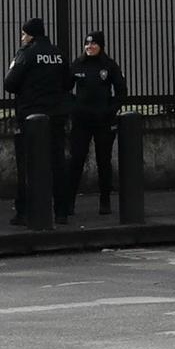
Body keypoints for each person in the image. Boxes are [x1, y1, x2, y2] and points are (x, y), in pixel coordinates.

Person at [3, 16, 71, 225]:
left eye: (24, 34)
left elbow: (10, 83)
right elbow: (68, 82)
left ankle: (24, 212)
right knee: (57, 163)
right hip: (56, 115)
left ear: (30, 35)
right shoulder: (58, 54)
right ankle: (61, 211)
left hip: (30, 117)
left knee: (28, 165)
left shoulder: (26, 53)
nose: (22, 38)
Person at [62, 29, 126, 217]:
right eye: (87, 44)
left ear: (101, 46)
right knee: (76, 161)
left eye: (94, 44)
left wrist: (109, 110)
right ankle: (69, 203)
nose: (90, 47)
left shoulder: (109, 66)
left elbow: (121, 91)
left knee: (103, 161)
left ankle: (105, 201)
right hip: (81, 121)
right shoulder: (78, 64)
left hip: (103, 121)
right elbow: (64, 87)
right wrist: (74, 106)